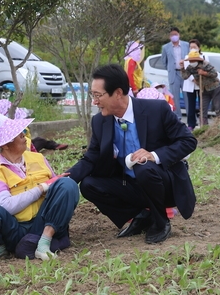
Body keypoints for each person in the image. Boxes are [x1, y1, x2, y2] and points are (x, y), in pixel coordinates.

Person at [66, 64, 197, 244]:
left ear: (118, 93)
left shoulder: (156, 110)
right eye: (92, 95)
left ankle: (161, 222)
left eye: (98, 95)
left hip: (163, 184)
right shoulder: (100, 121)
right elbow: (92, 157)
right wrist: (66, 178)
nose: (94, 101)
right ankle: (142, 215)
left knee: (143, 167)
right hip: (130, 184)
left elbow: (188, 141)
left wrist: (154, 155)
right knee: (89, 185)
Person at [0, 113, 80, 261]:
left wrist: (54, 184)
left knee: (67, 185)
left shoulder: (38, 158)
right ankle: (0, 247)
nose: (24, 136)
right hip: (15, 228)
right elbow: (7, 206)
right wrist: (40, 188)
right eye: (19, 135)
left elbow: (55, 188)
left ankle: (44, 243)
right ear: (5, 144)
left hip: (43, 222)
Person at [181, 50, 220, 126]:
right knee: (202, 110)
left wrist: (204, 73)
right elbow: (185, 77)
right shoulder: (190, 67)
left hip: (214, 87)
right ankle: (204, 127)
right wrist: (182, 68)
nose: (191, 62)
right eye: (190, 60)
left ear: (197, 60)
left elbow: (215, 74)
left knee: (218, 107)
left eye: (193, 60)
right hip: (204, 90)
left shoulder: (205, 64)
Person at [160, 27, 190, 120]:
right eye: (172, 35)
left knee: (187, 96)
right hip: (174, 74)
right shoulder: (165, 47)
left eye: (175, 34)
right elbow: (164, 61)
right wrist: (170, 69)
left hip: (184, 74)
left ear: (179, 35)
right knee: (175, 97)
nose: (174, 36)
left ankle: (190, 117)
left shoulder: (186, 45)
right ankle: (177, 117)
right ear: (169, 36)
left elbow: (189, 58)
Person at [180, 39, 205, 130]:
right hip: (191, 84)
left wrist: (199, 80)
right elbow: (187, 70)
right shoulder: (187, 57)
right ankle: (191, 124)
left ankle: (203, 122)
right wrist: (194, 79)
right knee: (191, 105)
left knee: (202, 104)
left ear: (199, 47)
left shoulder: (204, 56)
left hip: (201, 84)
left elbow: (206, 68)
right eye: (191, 47)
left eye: (194, 47)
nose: (193, 49)